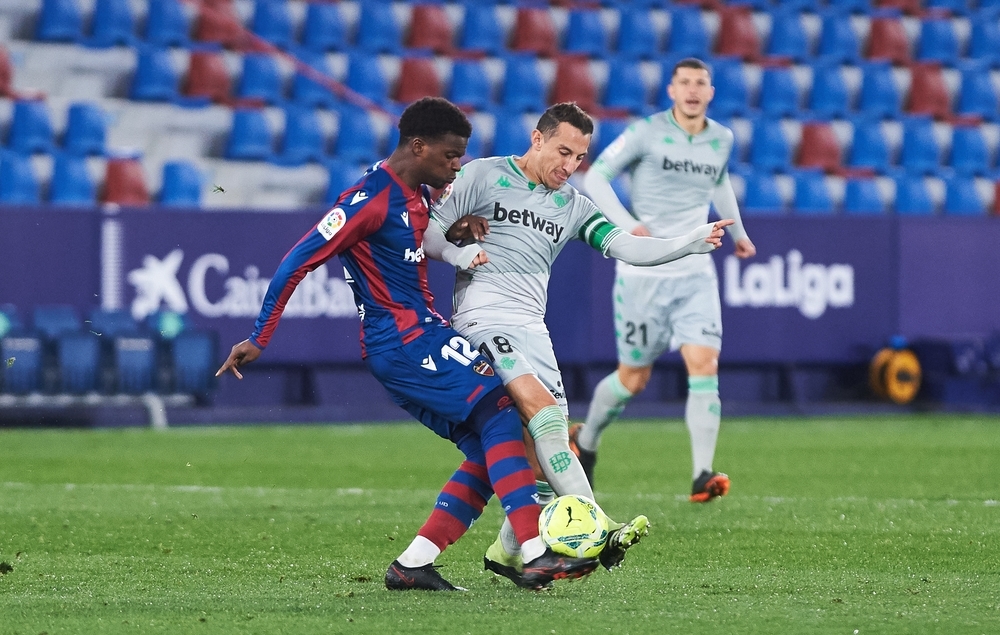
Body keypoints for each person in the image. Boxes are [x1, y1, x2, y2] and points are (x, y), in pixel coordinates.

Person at [215, 97, 599, 592]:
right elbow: (297, 260)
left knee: (495, 446)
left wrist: (458, 236)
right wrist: (259, 336)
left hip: (423, 333)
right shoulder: (369, 198)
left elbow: (417, 245)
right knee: (504, 412)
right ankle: (534, 550)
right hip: (402, 340)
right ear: (418, 147)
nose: (457, 165)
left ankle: (413, 564)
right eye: (450, 156)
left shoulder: (416, 194)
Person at [422, 102, 733, 585]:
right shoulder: (483, 176)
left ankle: (504, 555)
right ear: (537, 138)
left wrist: (688, 242)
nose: (569, 167)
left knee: (542, 453)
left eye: (580, 158)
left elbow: (626, 244)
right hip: (482, 319)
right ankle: (600, 525)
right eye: (563, 152)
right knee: (546, 419)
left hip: (533, 329)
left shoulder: (571, 204)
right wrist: (461, 247)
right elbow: (427, 229)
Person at [571, 58, 757, 502]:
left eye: (701, 83)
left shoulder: (721, 138)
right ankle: (588, 440)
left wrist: (739, 233)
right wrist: (623, 224)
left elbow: (720, 181)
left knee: (704, 363)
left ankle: (702, 474)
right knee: (633, 378)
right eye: (685, 83)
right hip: (644, 269)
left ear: (711, 92)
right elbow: (596, 175)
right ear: (672, 90)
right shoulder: (645, 132)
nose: (693, 90)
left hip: (696, 269)